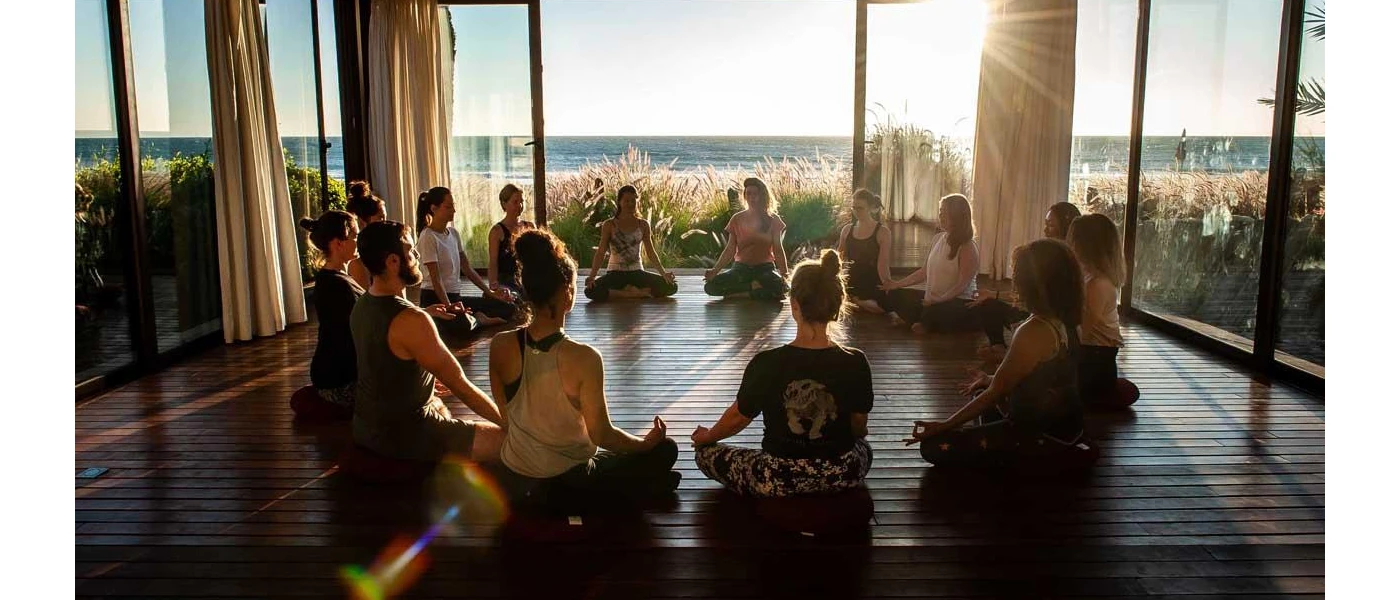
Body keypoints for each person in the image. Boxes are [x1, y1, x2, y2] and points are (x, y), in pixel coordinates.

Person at [489, 229, 681, 506]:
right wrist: (644, 444)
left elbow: (506, 418)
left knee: (638, 470)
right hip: (567, 482)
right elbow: (602, 435)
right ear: (567, 294)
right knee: (665, 451)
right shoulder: (584, 358)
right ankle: (641, 488)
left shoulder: (500, 345)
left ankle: (645, 487)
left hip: (514, 478)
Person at [692, 250, 873, 496]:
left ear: (794, 305)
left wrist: (708, 436)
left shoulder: (767, 362)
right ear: (837, 305)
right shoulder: (856, 361)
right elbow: (859, 425)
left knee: (705, 454)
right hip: (841, 473)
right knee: (863, 447)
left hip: (777, 476)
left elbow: (738, 417)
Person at [907, 239, 1086, 468]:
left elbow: (996, 391)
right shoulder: (1066, 321)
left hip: (1040, 433)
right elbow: (1036, 377)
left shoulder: (1034, 330)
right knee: (979, 392)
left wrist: (944, 425)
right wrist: (988, 378)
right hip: (1066, 425)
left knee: (933, 447)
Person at [350, 220, 505, 463]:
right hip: (404, 436)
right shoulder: (413, 320)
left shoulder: (362, 304)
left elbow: (385, 362)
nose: (417, 256)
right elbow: (460, 385)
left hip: (366, 427)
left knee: (436, 400)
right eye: (411, 251)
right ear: (393, 262)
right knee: (510, 444)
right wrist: (508, 424)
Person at [415, 186, 515, 337]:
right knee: (461, 325)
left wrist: (490, 293)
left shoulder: (453, 234)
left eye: (453, 206)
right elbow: (435, 279)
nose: (453, 210)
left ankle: (474, 318)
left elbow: (467, 269)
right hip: (434, 298)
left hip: (456, 297)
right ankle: (478, 320)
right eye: (448, 207)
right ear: (433, 208)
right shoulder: (428, 236)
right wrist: (448, 307)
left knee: (508, 307)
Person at [879, 194, 980, 335]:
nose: (941, 216)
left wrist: (939, 300)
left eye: (945, 212)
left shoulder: (968, 246)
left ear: (957, 217)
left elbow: (961, 285)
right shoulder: (938, 238)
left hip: (957, 302)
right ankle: (923, 320)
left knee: (938, 309)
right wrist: (896, 284)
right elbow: (923, 272)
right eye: (940, 212)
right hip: (933, 300)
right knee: (895, 294)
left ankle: (923, 321)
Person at [298, 211, 363, 411]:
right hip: (339, 381)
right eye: (354, 236)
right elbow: (350, 335)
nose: (357, 241)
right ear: (338, 243)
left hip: (336, 374)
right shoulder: (336, 285)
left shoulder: (338, 278)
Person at [1066, 214, 1127, 408]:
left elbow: (1080, 333)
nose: (1069, 245)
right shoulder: (1088, 277)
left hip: (1095, 364)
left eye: (1073, 240)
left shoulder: (1098, 284)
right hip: (1089, 357)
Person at [583, 185, 678, 302]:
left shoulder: (643, 224)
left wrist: (664, 274)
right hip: (615, 273)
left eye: (633, 200)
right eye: (627, 201)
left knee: (671, 287)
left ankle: (623, 293)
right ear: (619, 202)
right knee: (590, 291)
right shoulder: (609, 225)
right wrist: (592, 276)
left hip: (637, 272)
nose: (630, 204)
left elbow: (650, 251)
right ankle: (633, 294)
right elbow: (601, 252)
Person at [703, 177, 789, 300]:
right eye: (748, 194)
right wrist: (714, 271)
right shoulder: (737, 219)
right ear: (744, 196)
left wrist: (784, 273)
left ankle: (741, 294)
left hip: (764, 270)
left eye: (755, 194)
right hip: (741, 269)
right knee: (710, 287)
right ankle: (752, 288)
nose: (752, 197)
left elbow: (778, 249)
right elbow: (730, 250)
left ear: (762, 196)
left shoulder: (773, 220)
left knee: (782, 288)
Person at [836, 188, 893, 314]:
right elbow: (839, 259)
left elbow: (883, 264)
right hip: (851, 279)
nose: (856, 211)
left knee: (884, 307)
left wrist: (888, 285)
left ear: (871, 208)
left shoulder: (883, 232)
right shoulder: (847, 230)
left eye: (860, 208)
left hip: (872, 279)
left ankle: (856, 302)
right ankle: (854, 300)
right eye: (854, 208)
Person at [488, 184, 536, 299]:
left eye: (522, 202)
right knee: (512, 298)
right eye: (515, 202)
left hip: (527, 278)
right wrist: (493, 286)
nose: (520, 205)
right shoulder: (497, 231)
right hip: (506, 280)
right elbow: (493, 262)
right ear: (504, 204)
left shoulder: (529, 226)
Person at [346, 181, 386, 290]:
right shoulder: (357, 258)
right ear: (362, 221)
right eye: (380, 218)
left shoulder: (379, 248)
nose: (385, 222)